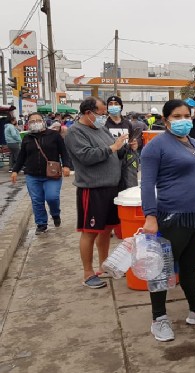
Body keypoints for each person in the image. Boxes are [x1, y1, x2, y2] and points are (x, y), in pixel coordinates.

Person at [140, 99, 195, 342]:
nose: (183, 120)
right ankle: (159, 318)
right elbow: (147, 184)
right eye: (177, 116)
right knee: (163, 268)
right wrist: (150, 216)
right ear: (165, 120)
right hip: (173, 215)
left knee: (189, 265)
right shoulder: (156, 147)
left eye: (186, 115)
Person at [64, 96, 138, 289]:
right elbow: (86, 156)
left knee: (106, 230)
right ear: (88, 113)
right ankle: (88, 273)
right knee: (90, 231)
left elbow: (113, 154)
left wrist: (124, 148)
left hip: (111, 188)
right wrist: (112, 147)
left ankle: (104, 265)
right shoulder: (75, 132)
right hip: (92, 189)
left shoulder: (101, 129)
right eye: (100, 113)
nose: (103, 116)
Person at [10, 113, 72, 234]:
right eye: (33, 121)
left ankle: (55, 214)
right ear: (28, 123)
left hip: (52, 174)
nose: (36, 122)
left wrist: (66, 165)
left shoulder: (54, 135)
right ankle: (41, 223)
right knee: (37, 200)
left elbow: (64, 152)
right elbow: (22, 156)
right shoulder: (27, 138)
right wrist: (15, 171)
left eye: (38, 120)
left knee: (52, 197)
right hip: (32, 175)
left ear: (43, 121)